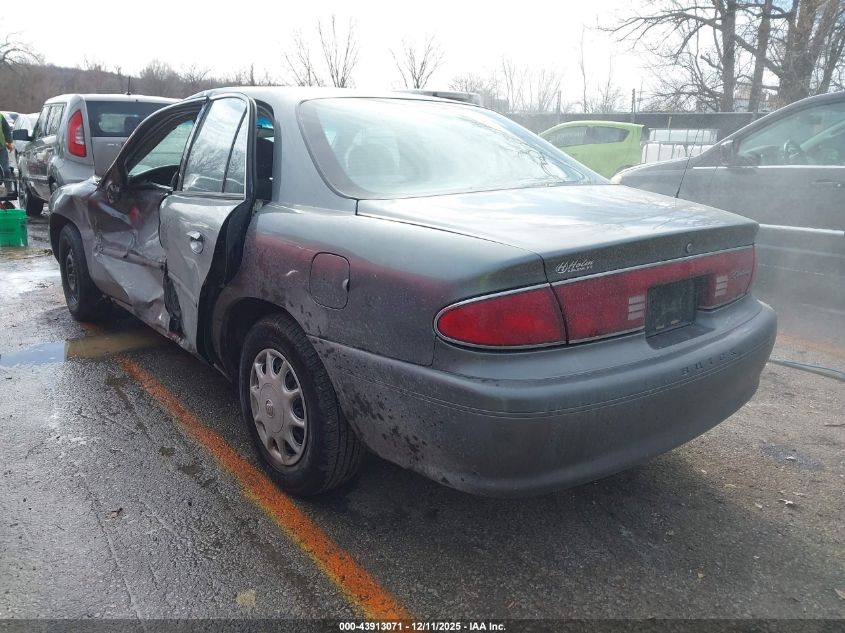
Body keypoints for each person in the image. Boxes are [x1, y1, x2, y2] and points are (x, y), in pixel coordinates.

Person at [0, 112, 14, 209]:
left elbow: (6, 129)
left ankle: (8, 191)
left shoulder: (0, 116)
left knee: (5, 170)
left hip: (1, 148)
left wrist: (9, 141)